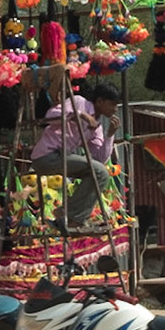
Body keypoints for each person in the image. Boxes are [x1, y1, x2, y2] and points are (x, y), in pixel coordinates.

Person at [30, 82, 119, 230]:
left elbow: (99, 159)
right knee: (100, 172)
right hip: (46, 156)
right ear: (99, 101)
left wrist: (110, 135)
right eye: (112, 104)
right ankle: (71, 215)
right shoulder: (79, 102)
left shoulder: (97, 126)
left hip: (61, 158)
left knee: (100, 173)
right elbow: (50, 117)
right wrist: (80, 115)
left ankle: (69, 214)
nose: (115, 109)